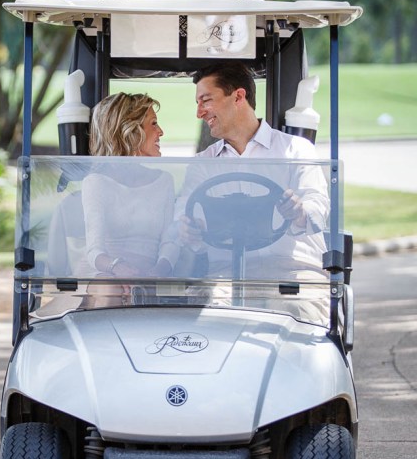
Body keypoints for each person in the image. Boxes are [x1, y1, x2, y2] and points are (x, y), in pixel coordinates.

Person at [177, 63, 330, 322]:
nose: (199, 112)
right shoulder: (203, 163)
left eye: (206, 100)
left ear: (238, 96)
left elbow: (318, 207)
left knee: (294, 316)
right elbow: (182, 213)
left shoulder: (296, 150)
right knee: (204, 320)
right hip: (226, 275)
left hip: (290, 272)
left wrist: (299, 212)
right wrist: (188, 228)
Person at [82, 93, 179, 281]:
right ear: (131, 132)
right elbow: (94, 250)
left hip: (150, 274)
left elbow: (170, 241)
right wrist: (117, 268)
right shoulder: (96, 182)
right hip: (107, 273)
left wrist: (159, 270)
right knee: (111, 287)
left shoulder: (164, 181)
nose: (161, 131)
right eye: (153, 123)